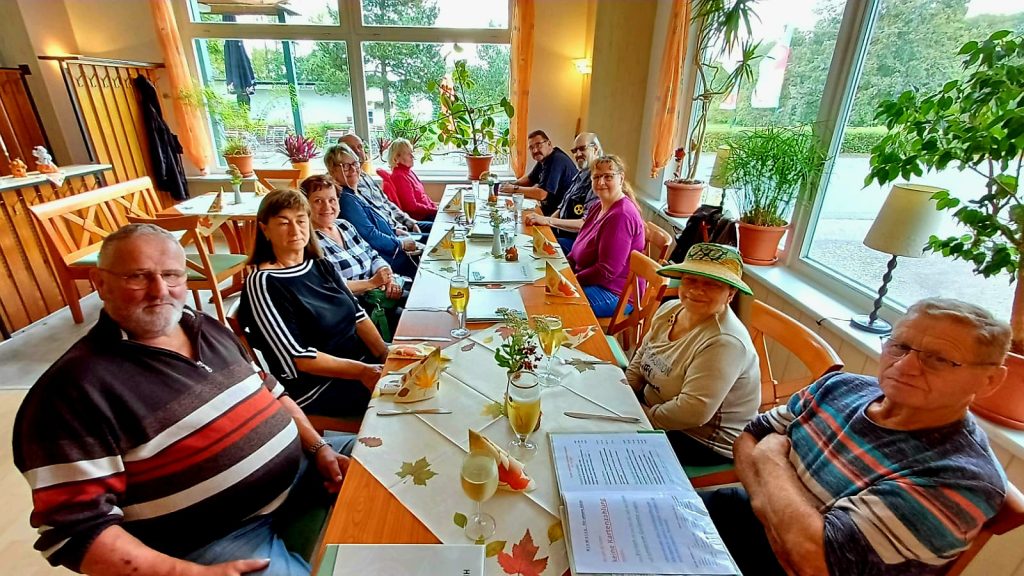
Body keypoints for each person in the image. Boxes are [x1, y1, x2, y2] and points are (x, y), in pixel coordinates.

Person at [13, 223, 357, 575]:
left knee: (394, 456)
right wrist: (190, 574)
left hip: (302, 471)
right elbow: (75, 532)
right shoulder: (71, 391)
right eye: (138, 276)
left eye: (172, 275)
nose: (159, 290)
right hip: (214, 539)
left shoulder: (203, 325)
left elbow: (271, 391)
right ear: (100, 283)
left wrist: (318, 448)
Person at [702, 297, 1011, 576]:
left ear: (990, 380)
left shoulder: (961, 479)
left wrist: (770, 456)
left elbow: (812, 561)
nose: (904, 366)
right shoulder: (840, 386)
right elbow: (749, 439)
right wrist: (768, 508)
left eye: (939, 359)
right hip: (740, 516)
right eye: (900, 346)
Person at [241, 189, 388, 419]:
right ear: (264, 229)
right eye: (283, 223)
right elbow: (300, 358)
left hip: (361, 364)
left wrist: (385, 355)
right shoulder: (264, 283)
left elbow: (359, 317)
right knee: (414, 402)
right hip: (319, 387)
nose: (295, 230)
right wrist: (364, 371)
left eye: (300, 220)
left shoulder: (321, 266)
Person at [625, 243, 760, 465]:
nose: (697, 290)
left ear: (731, 293)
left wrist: (641, 417)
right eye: (691, 279)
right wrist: (625, 392)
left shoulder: (724, 342)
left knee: (607, 449)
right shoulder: (670, 309)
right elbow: (642, 355)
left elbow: (694, 412)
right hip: (653, 409)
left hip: (698, 439)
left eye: (712, 284)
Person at [300, 174, 406, 337]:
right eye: (318, 201)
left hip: (379, 294)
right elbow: (329, 285)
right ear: (305, 205)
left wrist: (387, 277)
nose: (327, 207)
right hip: (355, 311)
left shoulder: (345, 226)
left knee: (424, 303)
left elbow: (373, 255)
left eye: (332, 200)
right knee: (412, 322)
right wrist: (371, 283)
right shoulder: (309, 242)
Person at [566, 154, 645, 318]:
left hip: (615, 293)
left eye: (608, 177)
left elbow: (606, 270)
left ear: (621, 179)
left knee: (559, 305)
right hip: (594, 282)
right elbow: (578, 247)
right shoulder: (598, 206)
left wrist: (572, 279)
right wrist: (565, 268)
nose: (601, 182)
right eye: (596, 177)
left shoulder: (621, 215)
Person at [325, 143, 420, 278]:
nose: (353, 169)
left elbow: (377, 219)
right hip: (388, 258)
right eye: (345, 166)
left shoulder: (356, 193)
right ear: (332, 171)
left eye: (355, 163)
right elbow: (370, 236)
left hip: (394, 243)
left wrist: (394, 231)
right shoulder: (347, 200)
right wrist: (401, 243)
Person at [524, 132, 602, 253]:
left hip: (579, 242)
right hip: (562, 232)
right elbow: (562, 207)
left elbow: (586, 224)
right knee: (528, 238)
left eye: (582, 149)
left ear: (595, 149)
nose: (578, 154)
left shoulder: (598, 181)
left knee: (533, 249)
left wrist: (547, 221)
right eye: (575, 151)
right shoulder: (580, 175)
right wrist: (545, 222)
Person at [340, 133, 432, 234]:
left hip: (402, 225)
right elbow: (371, 227)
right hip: (394, 233)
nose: (357, 151)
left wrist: (410, 223)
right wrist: (398, 235)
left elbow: (387, 203)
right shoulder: (345, 189)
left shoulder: (366, 176)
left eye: (360, 147)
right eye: (350, 148)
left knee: (446, 229)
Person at [499, 129, 578, 216]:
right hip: (550, 209)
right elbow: (530, 179)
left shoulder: (556, 160)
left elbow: (541, 194)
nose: (535, 151)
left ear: (549, 144)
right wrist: (510, 184)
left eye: (538, 145)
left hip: (561, 214)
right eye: (531, 148)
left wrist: (514, 188)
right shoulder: (545, 158)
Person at [387, 138, 437, 222]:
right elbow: (411, 207)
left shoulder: (408, 171)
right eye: (408, 154)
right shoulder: (399, 176)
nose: (413, 156)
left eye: (412, 153)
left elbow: (423, 196)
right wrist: (434, 210)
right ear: (396, 157)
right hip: (420, 218)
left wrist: (435, 207)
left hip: (428, 212)